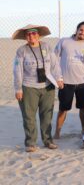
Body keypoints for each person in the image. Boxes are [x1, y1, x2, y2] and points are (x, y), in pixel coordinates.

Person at [13, 24, 63, 152]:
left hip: (48, 86)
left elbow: (55, 64)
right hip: (29, 87)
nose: (32, 36)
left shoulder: (46, 46)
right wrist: (18, 89)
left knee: (47, 115)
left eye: (34, 33)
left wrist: (59, 78)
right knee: (29, 116)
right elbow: (17, 70)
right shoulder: (21, 50)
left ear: (39, 35)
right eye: (28, 34)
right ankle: (30, 143)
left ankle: (48, 140)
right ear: (25, 37)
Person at [54, 21, 84, 139]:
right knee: (63, 108)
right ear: (76, 30)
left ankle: (83, 130)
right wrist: (58, 77)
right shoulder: (64, 41)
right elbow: (54, 59)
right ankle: (57, 132)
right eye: (81, 30)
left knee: (83, 108)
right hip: (66, 82)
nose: (83, 32)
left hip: (82, 82)